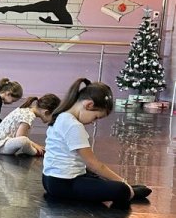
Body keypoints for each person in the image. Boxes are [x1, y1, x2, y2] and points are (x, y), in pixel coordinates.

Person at [42, 78, 151, 206]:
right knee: (121, 189)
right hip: (63, 184)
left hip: (49, 180)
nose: (93, 122)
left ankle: (125, 187)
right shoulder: (73, 125)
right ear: (89, 105)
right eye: (96, 117)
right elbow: (93, 164)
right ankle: (128, 190)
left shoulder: (61, 116)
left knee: (93, 176)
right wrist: (123, 182)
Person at [0, 92, 60, 157]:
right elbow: (20, 137)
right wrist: (35, 146)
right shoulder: (28, 116)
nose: (54, 120)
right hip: (1, 146)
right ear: (46, 112)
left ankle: (36, 149)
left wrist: (34, 145)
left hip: (0, 144)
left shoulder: (27, 110)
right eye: (54, 117)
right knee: (24, 140)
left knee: (25, 140)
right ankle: (36, 152)